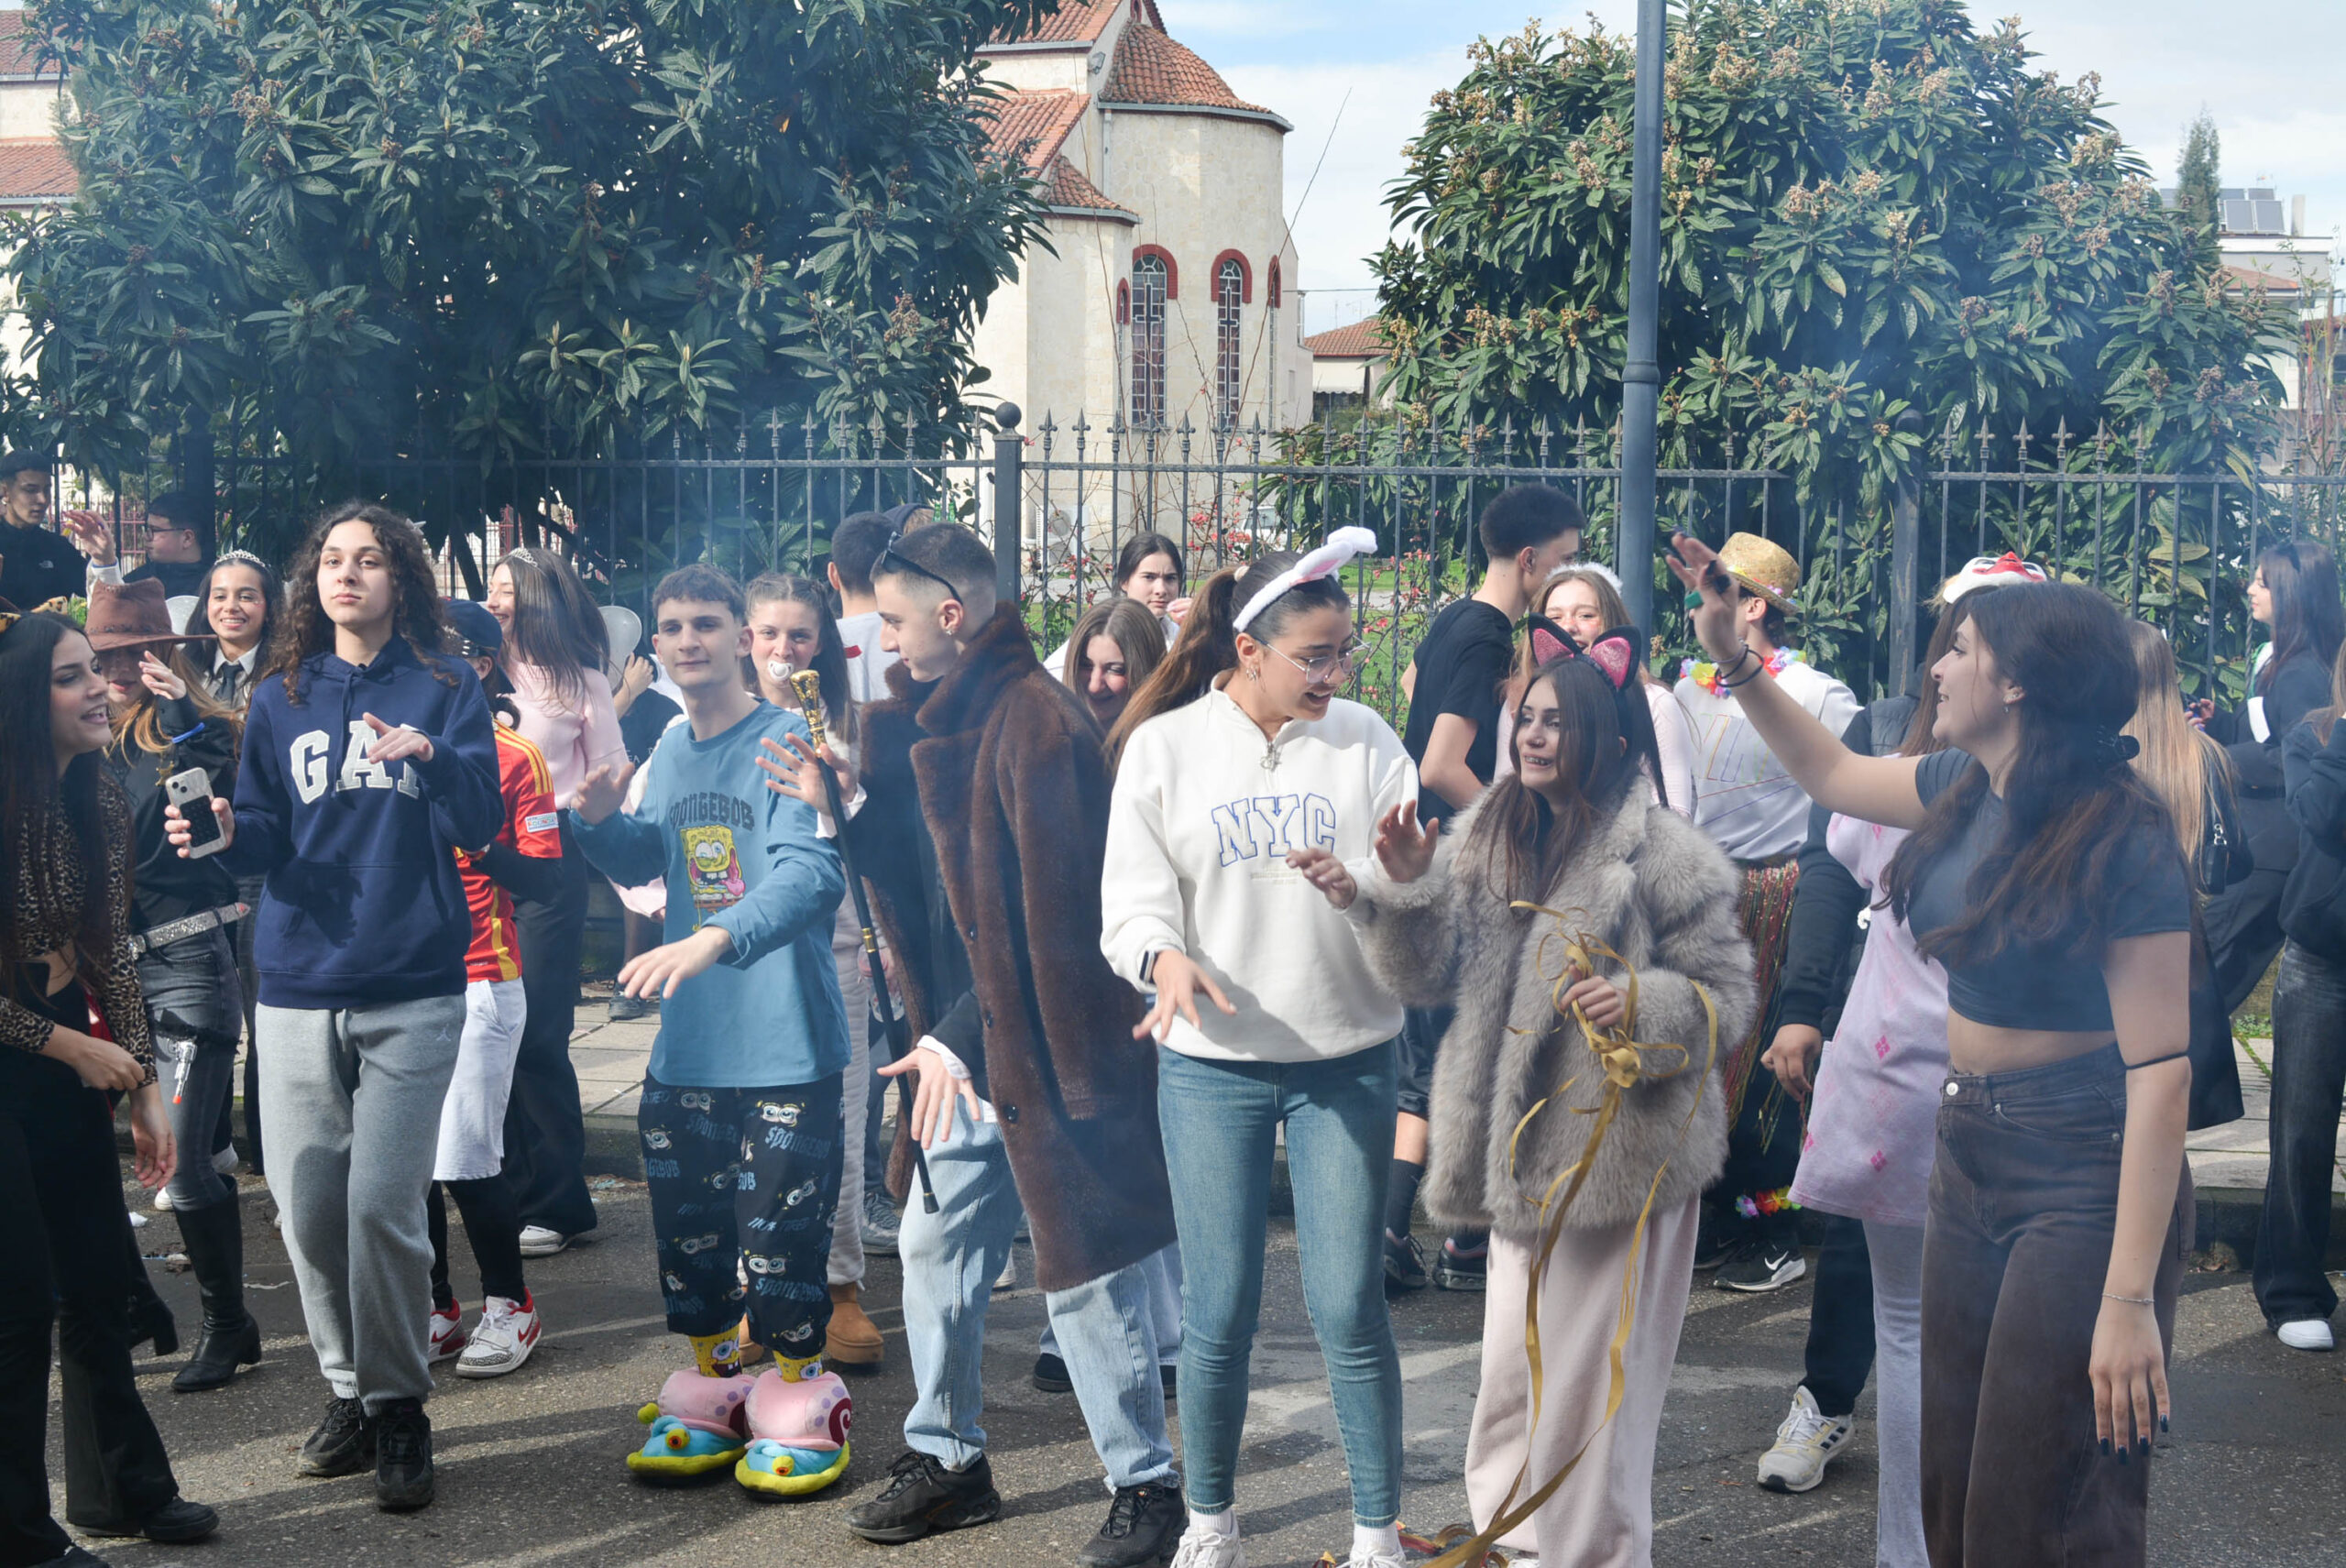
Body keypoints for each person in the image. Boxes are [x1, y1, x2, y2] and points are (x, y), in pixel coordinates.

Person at [1667, 539, 2195, 1566]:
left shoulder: (2121, 830)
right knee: (1949, 1485)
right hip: (1967, 1146)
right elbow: (1830, 772)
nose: (1937, 668)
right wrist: (1735, 660)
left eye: (1960, 649)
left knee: (2038, 1493)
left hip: (2080, 1165)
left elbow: (2160, 1073)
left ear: (2019, 681)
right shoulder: (1963, 782)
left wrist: (2130, 1299)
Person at [766, 522, 1184, 1567]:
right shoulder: (929, 716)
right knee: (932, 1248)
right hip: (964, 1052)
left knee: (1085, 1277)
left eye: (895, 620)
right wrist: (844, 807)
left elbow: (1053, 927)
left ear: (950, 615)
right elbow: (929, 885)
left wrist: (952, 1040)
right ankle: (950, 1460)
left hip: (1048, 1056)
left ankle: (1148, 1489)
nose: (884, 639)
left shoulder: (1038, 723)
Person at [1342, 627, 1754, 1568]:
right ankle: (1513, 1544)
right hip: (1519, 1157)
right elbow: (1425, 975)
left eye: (1556, 722)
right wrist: (1399, 891)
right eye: (1525, 717)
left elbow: (1726, 997)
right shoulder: (1491, 831)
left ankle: (1590, 1556)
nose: (1531, 735)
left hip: (1621, 1160)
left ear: (1608, 739)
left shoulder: (1664, 853)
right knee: (1509, 1378)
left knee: (1587, 1392)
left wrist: (1640, 1001)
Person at [170, 500, 503, 1513]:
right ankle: (350, 1388)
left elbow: (482, 820)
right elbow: (265, 831)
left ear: (401, 578)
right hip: (297, 983)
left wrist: (433, 757)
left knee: (381, 1208)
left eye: (369, 559)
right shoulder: (282, 693)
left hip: (413, 982)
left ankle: (399, 1405)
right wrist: (226, 828)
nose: (346, 574)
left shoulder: (447, 684)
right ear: (312, 581)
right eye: (331, 560)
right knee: (310, 1210)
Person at [1102, 530, 1416, 1568]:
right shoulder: (1164, 748)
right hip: (1211, 1065)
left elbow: (1409, 891)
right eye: (1315, 656)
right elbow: (1130, 903)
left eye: (1344, 652)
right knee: (1220, 1310)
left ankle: (1376, 1533)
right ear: (1249, 650)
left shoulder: (1366, 739)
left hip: (1347, 1056)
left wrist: (1376, 882)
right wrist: (1161, 960)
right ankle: (1210, 1524)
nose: (1337, 673)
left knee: (1349, 1304)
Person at [568, 565, 855, 1497]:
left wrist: (712, 938)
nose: (688, 639)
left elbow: (811, 874)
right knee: (688, 1233)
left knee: (781, 1241)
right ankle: (714, 1381)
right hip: (691, 1044)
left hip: (784, 1043)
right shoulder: (672, 747)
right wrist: (599, 824)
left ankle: (802, 1392)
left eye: (706, 623)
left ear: (741, 637)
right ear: (655, 647)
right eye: (672, 626)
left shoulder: (786, 739)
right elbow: (654, 852)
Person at [1751, 577, 2020, 1561]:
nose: (1940, 665)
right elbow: (1829, 798)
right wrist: (1800, 1008)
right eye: (1948, 643)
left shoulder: (1925, 778)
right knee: (1945, 1333)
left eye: (1962, 648)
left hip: (1933, 1085)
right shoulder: (1943, 774)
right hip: (1937, 1088)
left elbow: (1833, 801)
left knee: (1922, 1332)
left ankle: (1916, 1549)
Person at [0, 603, 221, 1564]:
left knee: (97, 1283)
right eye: (71, 675)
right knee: (17, 1303)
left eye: (94, 668)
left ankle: (121, 1489)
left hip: (58, 1050)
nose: (100, 687)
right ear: (22, 698)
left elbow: (108, 947)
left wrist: (143, 1083)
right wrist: (70, 1046)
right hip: (23, 1048)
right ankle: (18, 1534)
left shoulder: (96, 790)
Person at [1387, 483, 1582, 1295]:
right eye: (1563, 561)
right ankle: (1434, 1237)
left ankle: (1405, 1234)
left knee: (1433, 1053)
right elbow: (1440, 762)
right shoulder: (1489, 633)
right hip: (1459, 868)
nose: (1564, 575)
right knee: (1463, 1052)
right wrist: (1518, 828)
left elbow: (1410, 684)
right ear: (1530, 559)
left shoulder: (1454, 620)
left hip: (1429, 862)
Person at [86, 580, 260, 1398]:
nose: (119, 669)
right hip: (109, 976)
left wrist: (182, 714)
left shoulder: (198, 730)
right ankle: (136, 1303)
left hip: (187, 960)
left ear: (165, 652)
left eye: (136, 652)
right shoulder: (83, 741)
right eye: (105, 656)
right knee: (98, 1158)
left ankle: (228, 1322)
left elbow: (218, 813)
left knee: (184, 1168)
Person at [1672, 531, 1859, 1291]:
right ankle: (1722, 1217)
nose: (1697, 604)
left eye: (1716, 589)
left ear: (1753, 607)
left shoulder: (1820, 695)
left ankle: (1774, 1229)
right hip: (1705, 894)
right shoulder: (1686, 688)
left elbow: (1850, 793)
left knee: (1766, 1078)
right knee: (1705, 1066)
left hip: (1778, 893)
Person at [743, 571, 886, 1374]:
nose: (784, 649)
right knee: (748, 1128)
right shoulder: (714, 720)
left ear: (822, 641)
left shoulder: (849, 723)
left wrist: (839, 795)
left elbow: (877, 844)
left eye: (800, 634)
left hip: (834, 950)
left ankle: (838, 1283)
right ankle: (757, 1288)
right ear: (747, 639)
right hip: (741, 953)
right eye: (770, 633)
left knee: (841, 1117)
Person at [422, 598, 565, 1381]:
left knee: (465, 1154)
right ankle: (435, 1307)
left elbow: (545, 878)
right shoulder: (387, 743)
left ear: (478, 663)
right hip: (402, 978)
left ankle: (511, 1303)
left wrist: (477, 843)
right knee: (408, 1159)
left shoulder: (515, 756)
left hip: (482, 972)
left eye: (435, 649)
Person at [488, 544, 625, 1258]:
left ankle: (557, 1201)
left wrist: (597, 805)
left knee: (537, 1030)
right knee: (483, 1029)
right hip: (473, 865)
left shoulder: (581, 680)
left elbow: (613, 770)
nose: (495, 600)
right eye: (492, 587)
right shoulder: (471, 672)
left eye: (508, 589)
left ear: (540, 596)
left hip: (547, 863)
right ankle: (500, 1189)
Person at [2204, 542, 2342, 1013]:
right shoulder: (2289, 659)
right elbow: (2270, 733)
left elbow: (2297, 758)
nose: (2250, 589)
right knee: (2207, 982)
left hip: (2274, 849)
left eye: (2262, 583)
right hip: (2268, 843)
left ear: (2293, 593)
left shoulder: (2302, 672)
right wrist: (2223, 726)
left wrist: (2217, 755)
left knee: (2201, 980)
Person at [2257, 631, 2346, 1352]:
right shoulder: (2311, 736)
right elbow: (2318, 815)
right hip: (2321, 959)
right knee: (2302, 1130)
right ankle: (2292, 1288)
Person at [191, 549, 280, 1173]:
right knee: (206, 1010)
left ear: (268, 605)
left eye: (247, 595)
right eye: (220, 595)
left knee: (263, 1015)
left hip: (257, 861)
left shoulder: (284, 673)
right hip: (198, 864)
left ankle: (275, 1161)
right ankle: (210, 1145)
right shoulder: (186, 668)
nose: (231, 607)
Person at [1496, 566, 1696, 815]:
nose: (1568, 627)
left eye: (1586, 615)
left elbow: (1674, 812)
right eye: (1555, 618)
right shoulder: (1520, 700)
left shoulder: (1655, 702)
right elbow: (1503, 795)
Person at [1044, 532, 1187, 678]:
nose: (1161, 590)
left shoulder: (1181, 638)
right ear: (1124, 581)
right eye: (1149, 577)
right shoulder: (1101, 632)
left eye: (1170, 578)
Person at [1062, 596, 1168, 731]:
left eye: (1115, 669)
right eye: (1086, 665)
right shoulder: (1051, 735)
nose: (1095, 686)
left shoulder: (1167, 739)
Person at [82, 492, 214, 600]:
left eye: (155, 530)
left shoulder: (216, 582)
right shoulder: (138, 581)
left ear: (187, 538)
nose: (146, 536)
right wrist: (103, 560)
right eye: (147, 529)